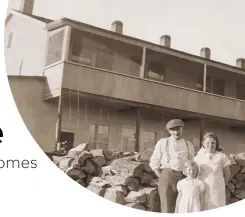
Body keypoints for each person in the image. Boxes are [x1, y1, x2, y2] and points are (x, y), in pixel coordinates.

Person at [149, 119, 195, 213]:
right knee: (167, 208)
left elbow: (191, 162)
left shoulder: (189, 145)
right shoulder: (163, 142)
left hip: (184, 177)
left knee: (183, 207)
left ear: (182, 129)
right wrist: (162, 177)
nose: (176, 132)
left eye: (178, 129)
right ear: (169, 131)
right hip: (167, 176)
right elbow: (154, 161)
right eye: (173, 130)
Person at [194, 132, 231, 210]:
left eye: (213, 143)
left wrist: (221, 185)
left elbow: (227, 174)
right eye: (207, 142)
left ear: (216, 144)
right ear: (203, 143)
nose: (210, 145)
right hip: (202, 189)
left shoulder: (222, 156)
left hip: (217, 190)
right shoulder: (197, 158)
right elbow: (194, 174)